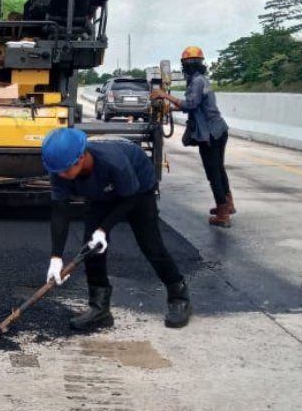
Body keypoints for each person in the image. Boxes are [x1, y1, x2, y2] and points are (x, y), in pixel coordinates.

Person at [42, 128, 191, 331]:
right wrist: (55, 257)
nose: (62, 175)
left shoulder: (114, 162)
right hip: (102, 194)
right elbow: (60, 210)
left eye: (66, 171)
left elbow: (130, 199)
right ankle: (99, 309)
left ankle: (178, 295)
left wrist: (104, 229)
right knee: (91, 248)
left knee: (151, 245)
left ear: (82, 157)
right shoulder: (60, 167)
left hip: (138, 191)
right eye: (58, 171)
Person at [152, 46, 233, 227]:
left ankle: (223, 214)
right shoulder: (202, 79)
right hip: (219, 129)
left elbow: (190, 104)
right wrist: (170, 107)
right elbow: (196, 105)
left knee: (213, 173)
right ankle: (227, 204)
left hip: (209, 133)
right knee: (219, 169)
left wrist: (163, 95)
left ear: (186, 66)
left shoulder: (196, 82)